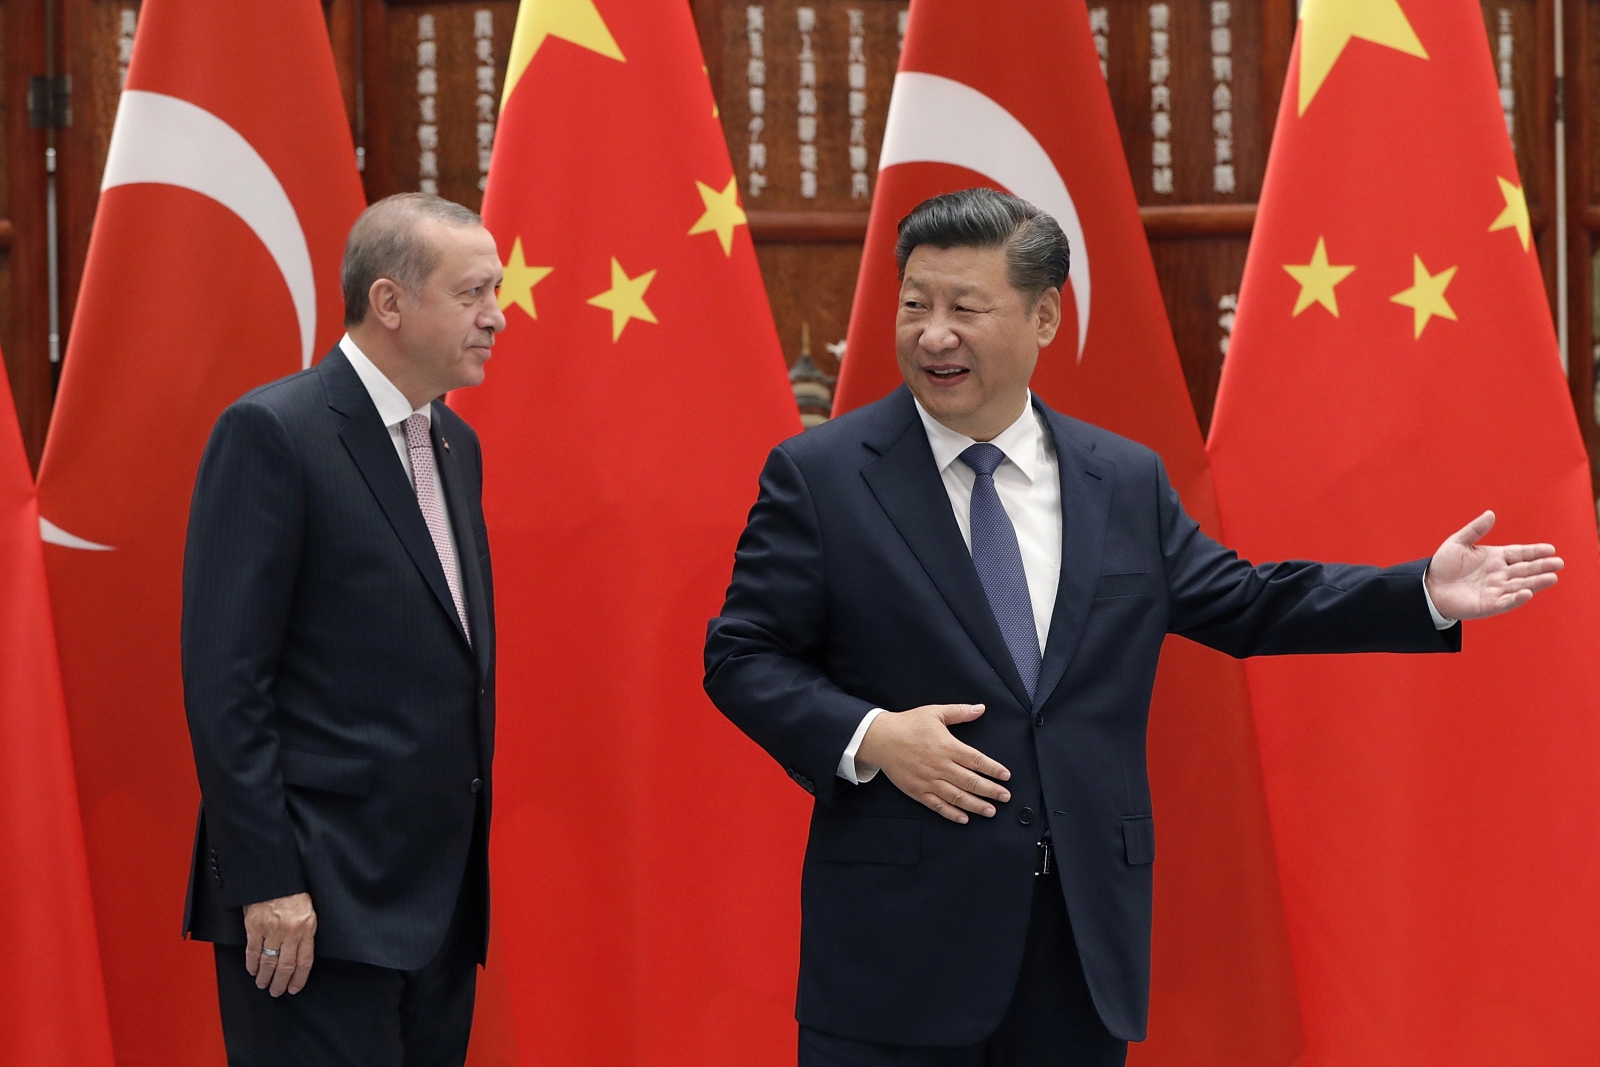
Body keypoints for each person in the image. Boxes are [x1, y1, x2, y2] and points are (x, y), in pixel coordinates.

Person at [703, 188, 1563, 1067]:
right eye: (916, 303)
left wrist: (1419, 590)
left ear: (1043, 318)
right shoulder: (824, 476)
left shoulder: (1120, 479)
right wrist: (873, 735)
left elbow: (1246, 601)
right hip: (897, 951)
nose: (933, 334)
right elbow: (740, 653)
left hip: (1079, 946)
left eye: (966, 307)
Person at [182, 193, 505, 1066]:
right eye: (473, 293)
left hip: (437, 909)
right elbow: (226, 684)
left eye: (497, 292)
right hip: (311, 911)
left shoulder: (453, 446)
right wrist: (268, 880)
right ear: (390, 302)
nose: (497, 317)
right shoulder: (273, 433)